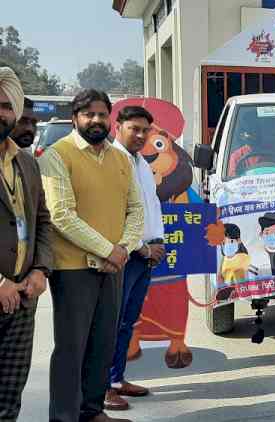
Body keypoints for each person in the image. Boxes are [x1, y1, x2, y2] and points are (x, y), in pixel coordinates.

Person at [39, 89, 144, 422]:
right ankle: (64, 417)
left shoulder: (119, 158)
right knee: (72, 348)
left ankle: (92, 411)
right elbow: (61, 214)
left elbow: (136, 208)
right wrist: (109, 249)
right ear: (75, 118)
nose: (96, 120)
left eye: (102, 114)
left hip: (113, 266)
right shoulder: (58, 155)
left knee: (102, 343)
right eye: (88, 114)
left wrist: (123, 249)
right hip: (73, 269)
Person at [0, 67, 53, 422]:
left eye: (6, 105)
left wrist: (39, 269)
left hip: (22, 297)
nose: (0, 112)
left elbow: (43, 221)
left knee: (8, 397)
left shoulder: (26, 163)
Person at [105, 106, 167, 411]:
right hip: (126, 255)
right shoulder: (111, 160)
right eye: (134, 128)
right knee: (111, 322)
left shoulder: (140, 162)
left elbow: (150, 205)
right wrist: (142, 248)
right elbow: (112, 212)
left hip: (146, 254)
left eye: (145, 130)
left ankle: (117, 380)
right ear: (118, 126)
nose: (141, 135)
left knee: (128, 321)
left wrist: (159, 241)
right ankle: (103, 387)